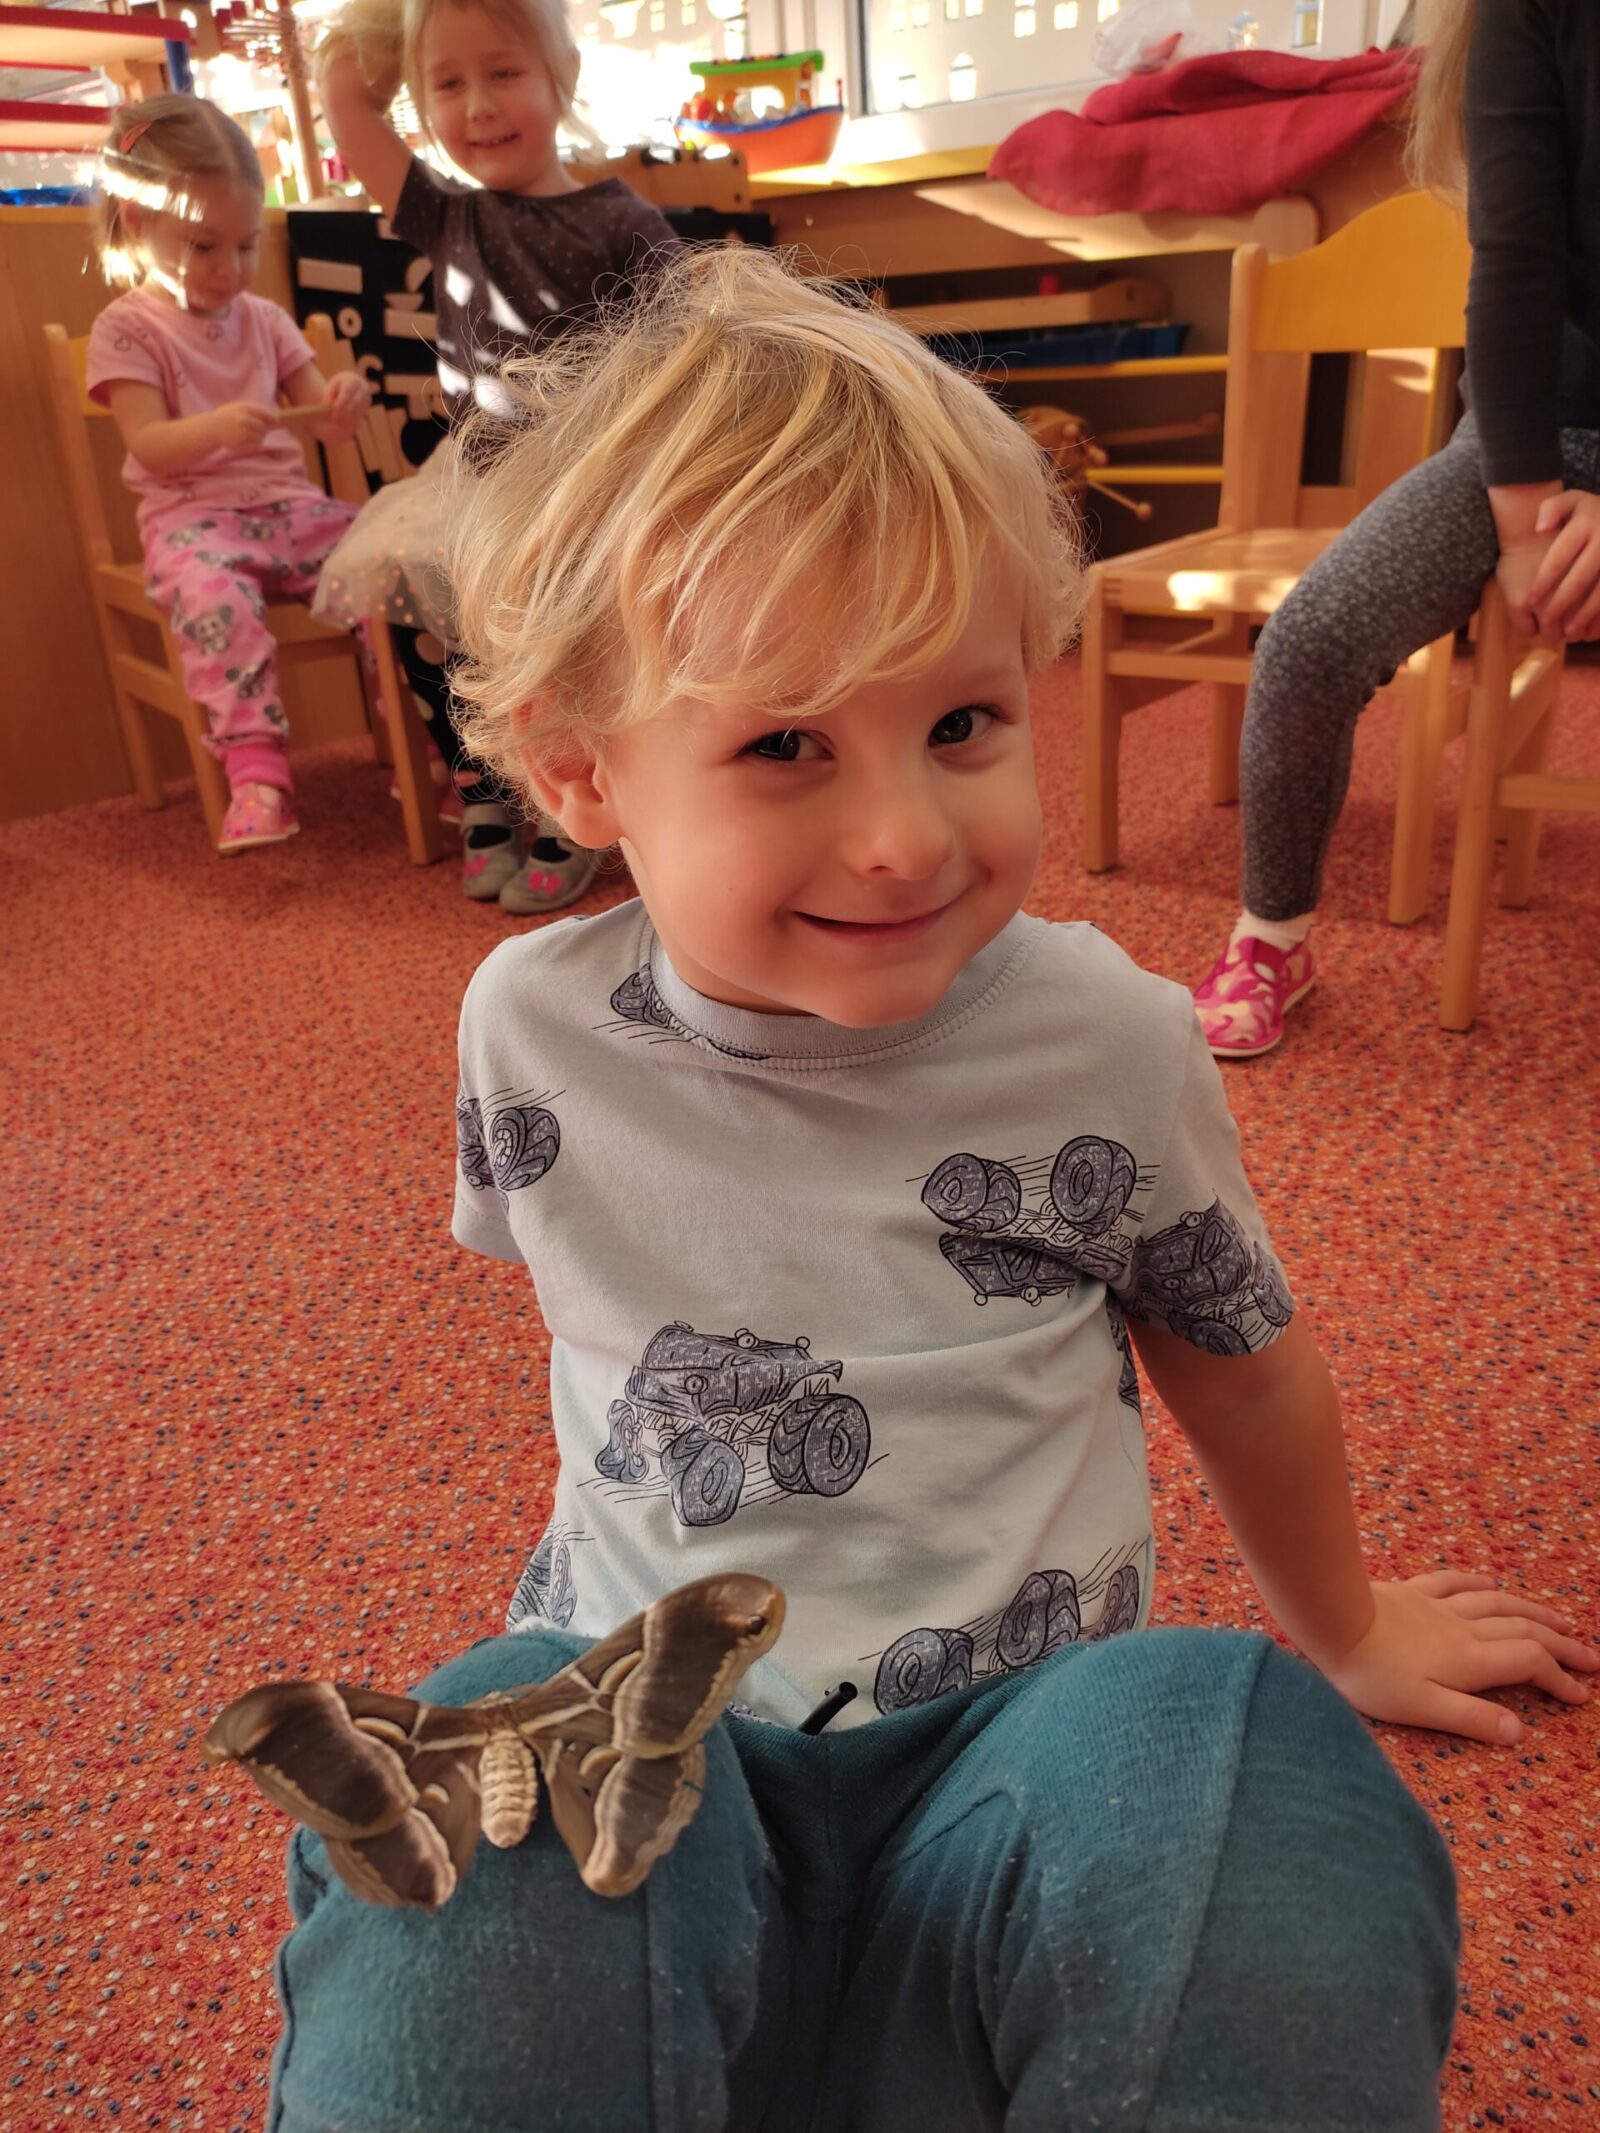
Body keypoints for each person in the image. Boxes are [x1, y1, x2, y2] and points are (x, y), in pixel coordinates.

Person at [265, 248, 1596, 2133]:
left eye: (962, 725)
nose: (904, 837)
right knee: (483, 1782)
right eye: (784, 744)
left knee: (1236, 1738)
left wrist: (1349, 1620)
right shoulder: (523, 1028)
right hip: (653, 1755)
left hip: (1023, 1772)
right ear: (579, 771)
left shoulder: (1109, 1037)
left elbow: (1240, 1367)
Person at [1192, 0, 1600, 1057]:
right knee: (1308, 640)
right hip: (1538, 433)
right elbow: (1514, 259)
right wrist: (1524, 527)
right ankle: (1272, 936)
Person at [311, 0, 680, 914]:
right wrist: (403, 25)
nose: (476, 106)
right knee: (422, 604)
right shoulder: (448, 214)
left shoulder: (621, 219)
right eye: (448, 83)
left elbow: (688, 349)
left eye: (504, 73)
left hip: (587, 484)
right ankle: (480, 788)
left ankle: (569, 807)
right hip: (474, 482)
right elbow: (345, 96)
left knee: (563, 646)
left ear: (563, 77)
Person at [88, 97, 370, 854]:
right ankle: (257, 775)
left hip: (291, 510)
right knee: (214, 597)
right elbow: (148, 444)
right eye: (204, 246)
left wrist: (343, 398)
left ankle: (440, 750)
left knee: (388, 562)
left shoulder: (267, 320)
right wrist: (214, 429)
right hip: (193, 522)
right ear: (137, 221)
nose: (230, 269)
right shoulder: (127, 327)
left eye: (246, 246)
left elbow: (325, 419)